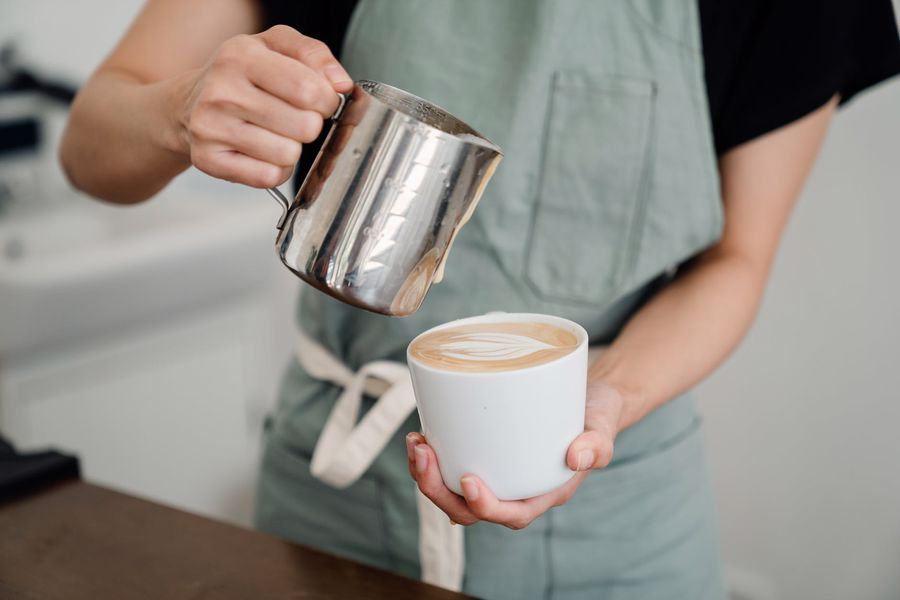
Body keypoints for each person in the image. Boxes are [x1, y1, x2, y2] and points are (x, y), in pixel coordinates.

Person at [60, 1, 900, 598]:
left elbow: (738, 260)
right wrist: (176, 111)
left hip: (618, 518)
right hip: (331, 506)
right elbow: (89, 146)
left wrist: (600, 403)